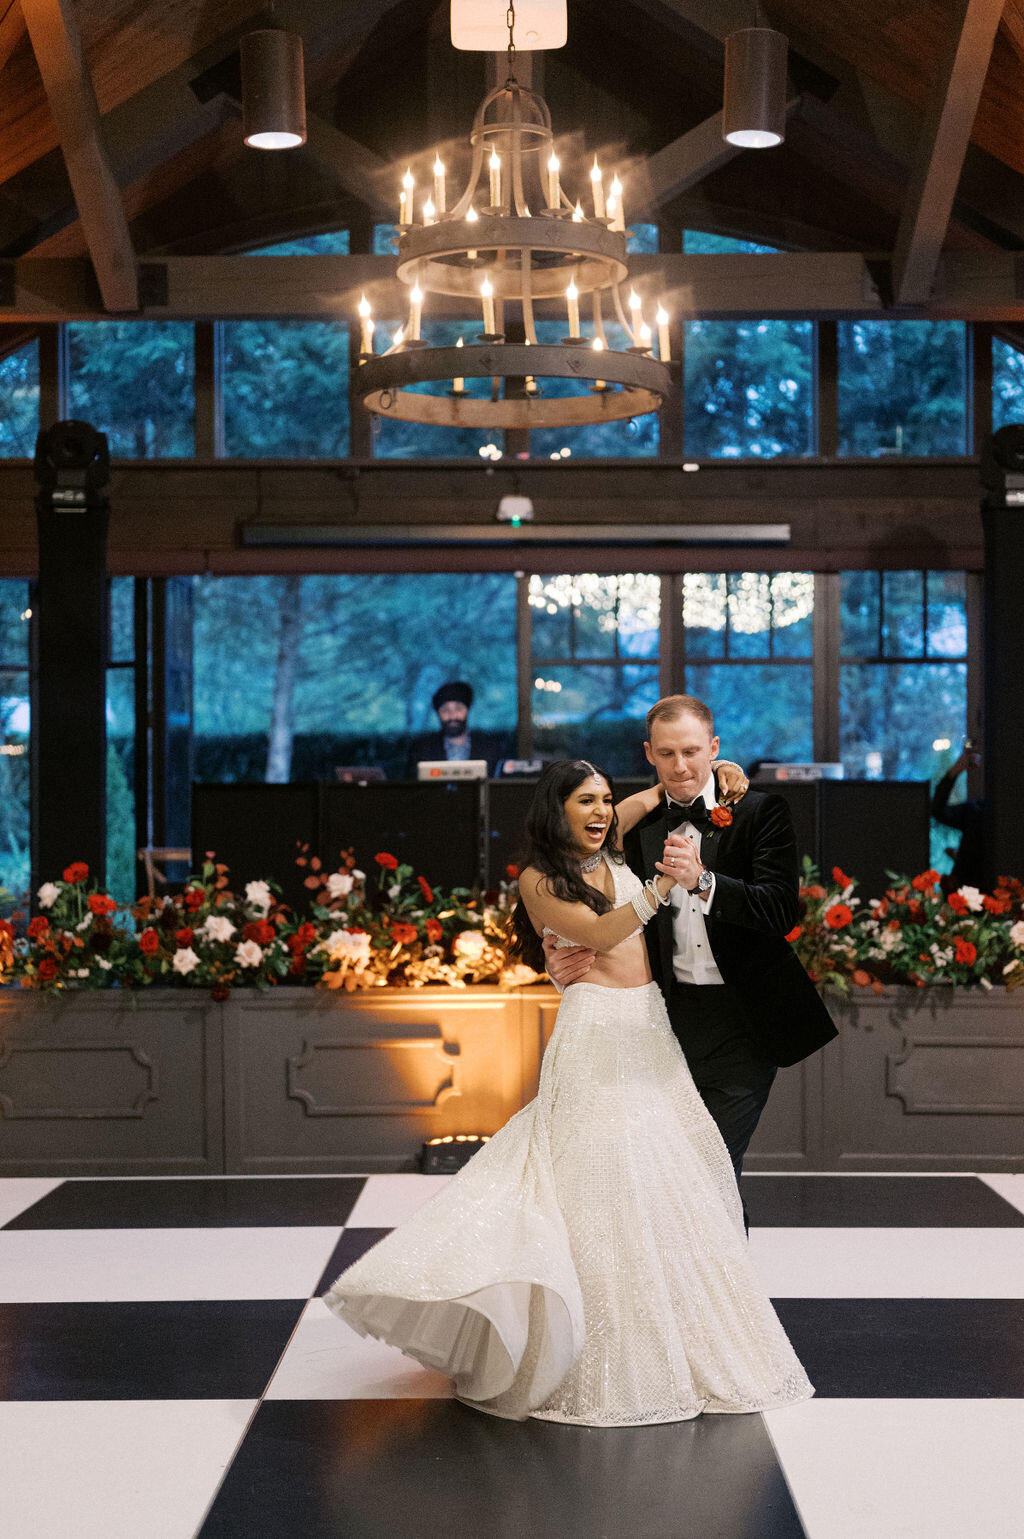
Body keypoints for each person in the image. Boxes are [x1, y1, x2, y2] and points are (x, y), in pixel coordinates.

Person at [324, 760, 813, 1425]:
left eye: (605, 800)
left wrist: (722, 769)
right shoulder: (539, 879)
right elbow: (606, 932)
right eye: (585, 800)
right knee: (596, 1183)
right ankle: (581, 1347)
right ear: (555, 808)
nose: (601, 811)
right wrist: (665, 882)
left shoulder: (613, 844)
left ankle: (679, 1346)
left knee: (668, 1182)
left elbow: (649, 798)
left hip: (649, 1028)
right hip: (595, 1038)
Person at [544, 695, 837, 1221]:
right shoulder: (630, 826)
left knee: (711, 1171)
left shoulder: (760, 812)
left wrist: (701, 881)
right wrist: (550, 953)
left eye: (693, 752)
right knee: (663, 1175)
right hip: (659, 1025)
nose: (682, 765)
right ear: (649, 755)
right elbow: (565, 882)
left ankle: (729, 1302)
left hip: (744, 1022)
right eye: (668, 753)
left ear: (715, 748)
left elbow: (780, 912)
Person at [405, 680, 514, 777]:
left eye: (458, 709)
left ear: (467, 710)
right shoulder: (421, 749)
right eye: (445, 710)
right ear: (438, 714)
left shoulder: (490, 749)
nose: (452, 716)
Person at [931, 744, 985, 892]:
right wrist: (955, 770)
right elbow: (937, 810)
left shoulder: (978, 812)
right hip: (966, 895)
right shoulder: (976, 811)